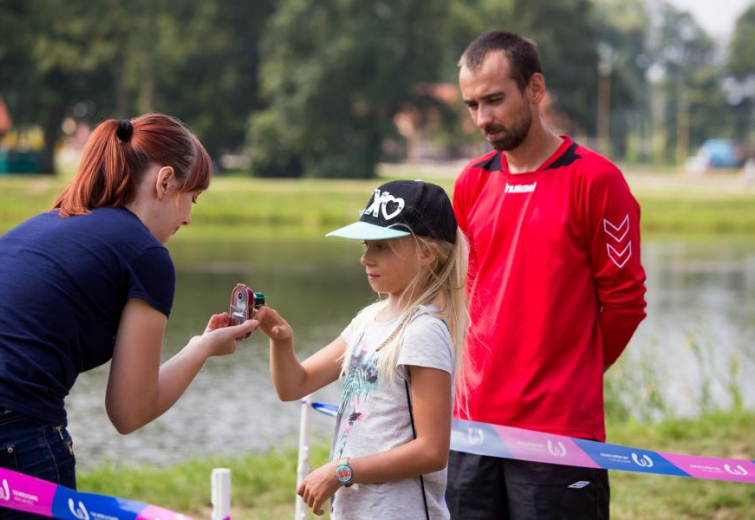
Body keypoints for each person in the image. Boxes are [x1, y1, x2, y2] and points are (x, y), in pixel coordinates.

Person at [0, 114, 258, 518]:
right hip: (10, 437)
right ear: (164, 182)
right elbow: (129, 412)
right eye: (192, 198)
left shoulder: (44, 223)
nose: (188, 218)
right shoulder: (146, 254)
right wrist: (201, 349)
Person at [447, 31, 647, 520]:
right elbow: (468, 289)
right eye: (473, 104)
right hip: (471, 429)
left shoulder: (596, 181)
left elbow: (624, 304)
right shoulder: (473, 181)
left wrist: (571, 376)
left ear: (535, 89)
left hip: (557, 435)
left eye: (494, 100)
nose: (483, 119)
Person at [256, 180, 467, 519]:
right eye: (367, 245)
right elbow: (293, 386)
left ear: (426, 253)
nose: (365, 258)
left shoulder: (424, 331)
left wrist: (342, 470)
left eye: (382, 247)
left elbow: (432, 451)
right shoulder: (367, 320)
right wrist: (281, 340)